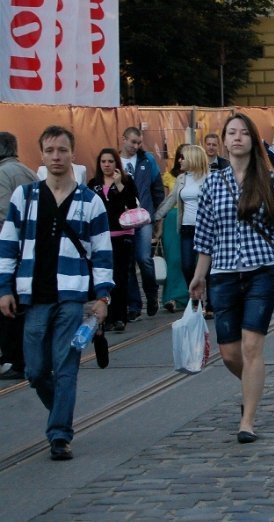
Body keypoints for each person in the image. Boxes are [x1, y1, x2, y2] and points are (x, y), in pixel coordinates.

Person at [190, 113, 274, 443]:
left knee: (252, 346)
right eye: (231, 133)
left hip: (262, 270)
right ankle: (251, 386)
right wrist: (199, 276)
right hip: (223, 274)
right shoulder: (213, 184)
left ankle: (247, 420)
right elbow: (205, 236)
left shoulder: (267, 181)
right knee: (230, 353)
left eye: (244, 133)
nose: (237, 138)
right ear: (224, 141)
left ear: (252, 140)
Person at [0, 126, 113, 460]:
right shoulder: (25, 197)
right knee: (35, 371)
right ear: (41, 155)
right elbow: (7, 245)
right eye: (50, 151)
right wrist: (4, 288)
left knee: (65, 367)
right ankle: (61, 411)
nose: (56, 157)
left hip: (72, 295)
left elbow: (102, 252)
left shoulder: (90, 201)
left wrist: (103, 297)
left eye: (62, 150)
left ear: (72, 154)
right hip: (34, 295)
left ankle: (60, 435)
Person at [88, 148, 139, 333]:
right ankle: (107, 317)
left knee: (120, 277)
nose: (107, 165)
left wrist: (119, 184)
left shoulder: (126, 181)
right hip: (102, 236)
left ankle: (120, 317)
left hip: (122, 235)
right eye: (103, 162)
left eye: (110, 161)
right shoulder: (93, 184)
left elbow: (132, 204)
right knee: (104, 277)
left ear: (116, 163)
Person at [0, 133, 38, 380]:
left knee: (8, 305)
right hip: (30, 249)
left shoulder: (2, 174)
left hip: (10, 249)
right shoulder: (28, 172)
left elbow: (4, 215)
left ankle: (15, 358)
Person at [119, 127, 164, 320]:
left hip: (144, 216)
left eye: (139, 143)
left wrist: (157, 216)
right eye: (133, 142)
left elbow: (157, 187)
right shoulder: (116, 161)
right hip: (123, 219)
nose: (136, 146)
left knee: (144, 258)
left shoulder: (147, 160)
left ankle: (151, 292)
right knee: (128, 262)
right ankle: (134, 305)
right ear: (123, 139)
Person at [154, 145, 209, 294]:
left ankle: (210, 300)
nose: (179, 160)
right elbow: (170, 200)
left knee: (207, 266)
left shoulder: (209, 178)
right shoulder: (181, 178)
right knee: (186, 266)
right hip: (186, 227)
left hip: (205, 229)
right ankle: (194, 295)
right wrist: (155, 217)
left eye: (183, 157)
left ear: (193, 158)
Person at [159, 144, 189, 313]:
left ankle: (187, 296)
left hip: (190, 220)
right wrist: (156, 220)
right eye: (180, 156)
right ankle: (171, 297)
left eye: (185, 157)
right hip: (172, 219)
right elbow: (167, 200)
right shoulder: (171, 176)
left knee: (188, 259)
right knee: (173, 259)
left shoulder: (202, 177)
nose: (181, 160)